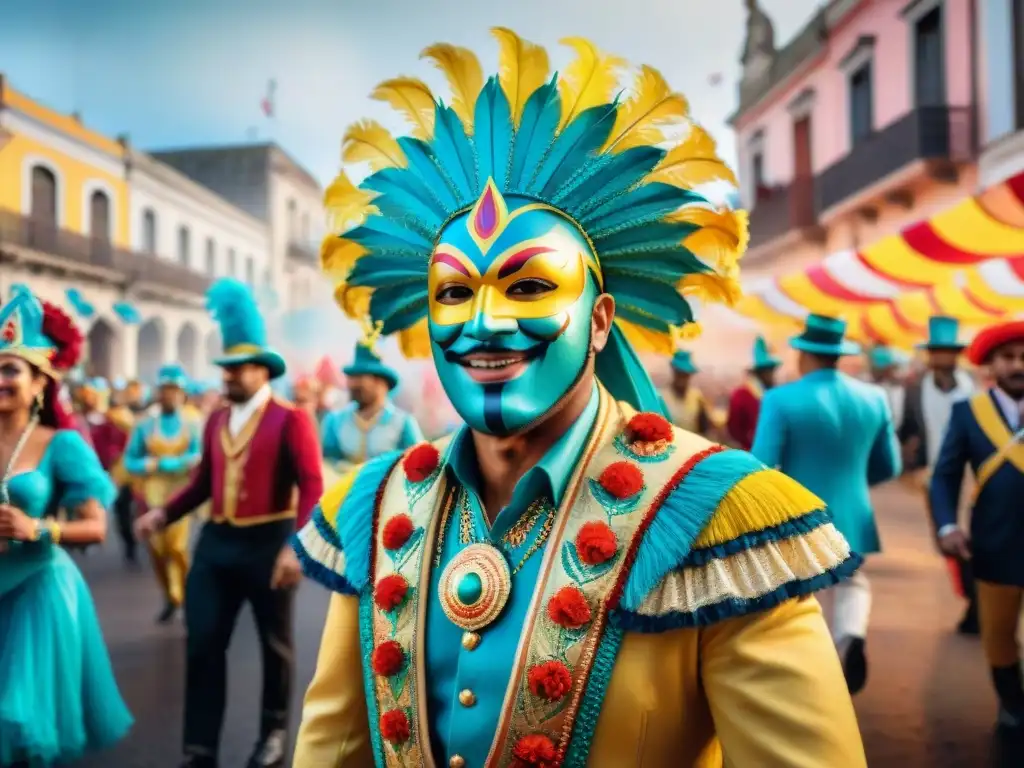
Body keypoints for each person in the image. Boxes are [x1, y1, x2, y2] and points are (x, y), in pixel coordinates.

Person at [290, 31, 865, 767]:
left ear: (600, 320)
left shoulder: (721, 516)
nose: (485, 321)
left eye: (528, 287)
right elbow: (331, 748)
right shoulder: (373, 506)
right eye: (456, 293)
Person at [134, 278, 323, 768]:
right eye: (226, 368)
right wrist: (164, 513)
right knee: (203, 644)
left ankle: (273, 733)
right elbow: (202, 483)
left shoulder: (292, 418)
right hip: (216, 544)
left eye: (237, 369)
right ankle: (200, 748)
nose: (227, 377)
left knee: (274, 646)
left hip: (269, 542)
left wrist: (295, 549)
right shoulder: (216, 420)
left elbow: (312, 486)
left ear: (263, 371)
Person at [0, 285, 133, 765]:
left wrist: (36, 527)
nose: (0, 379)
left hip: (39, 592)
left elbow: (96, 527)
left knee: (20, 723)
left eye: (10, 369)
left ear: (40, 383)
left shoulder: (62, 445)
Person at [752, 314, 901, 696]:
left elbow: (762, 466)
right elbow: (891, 466)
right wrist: (852, 484)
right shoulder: (874, 398)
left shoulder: (780, 399)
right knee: (852, 582)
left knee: (800, 592)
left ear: (804, 354)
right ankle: (849, 635)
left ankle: (809, 670)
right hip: (855, 511)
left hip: (798, 515)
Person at [930, 319, 1024, 745]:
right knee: (998, 632)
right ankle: (1012, 702)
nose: (1018, 365)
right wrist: (948, 524)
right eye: (1008, 358)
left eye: (1023, 358)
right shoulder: (968, 413)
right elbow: (945, 476)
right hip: (994, 542)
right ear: (990, 366)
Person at [900, 315, 979, 634]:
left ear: (957, 355)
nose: (942, 357)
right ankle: (972, 597)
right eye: (937, 351)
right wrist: (912, 460)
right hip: (936, 478)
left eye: (948, 351)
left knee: (973, 537)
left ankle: (977, 604)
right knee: (946, 540)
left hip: (973, 476)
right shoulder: (915, 391)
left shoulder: (972, 391)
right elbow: (907, 428)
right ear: (930, 355)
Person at [123, 362, 201, 624]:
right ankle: (170, 595)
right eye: (164, 389)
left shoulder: (192, 423)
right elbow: (129, 460)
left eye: (174, 390)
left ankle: (188, 596)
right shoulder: (145, 425)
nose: (169, 395)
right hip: (152, 495)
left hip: (181, 494)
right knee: (157, 551)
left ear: (182, 393)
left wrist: (177, 463)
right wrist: (150, 464)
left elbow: (198, 454)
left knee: (178, 548)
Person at [319, 330, 424, 472]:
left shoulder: (403, 423)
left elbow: (420, 467)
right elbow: (328, 461)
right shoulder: (335, 421)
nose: (353, 384)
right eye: (352, 378)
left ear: (381, 383)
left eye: (361, 377)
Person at [80, 377, 137, 565]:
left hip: (117, 474)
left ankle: (130, 545)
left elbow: (127, 444)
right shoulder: (76, 420)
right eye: (88, 394)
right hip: (88, 474)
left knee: (123, 514)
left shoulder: (116, 418)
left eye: (94, 395)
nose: (90, 399)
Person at [726, 335, 780, 449]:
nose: (772, 375)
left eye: (772, 371)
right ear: (759, 372)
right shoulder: (741, 395)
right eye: (769, 371)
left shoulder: (772, 394)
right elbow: (734, 431)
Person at [661, 349, 715, 437]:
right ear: (674, 372)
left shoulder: (696, 397)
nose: (682, 378)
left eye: (685, 375)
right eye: (679, 373)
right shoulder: (662, 397)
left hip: (692, 447)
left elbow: (704, 428)